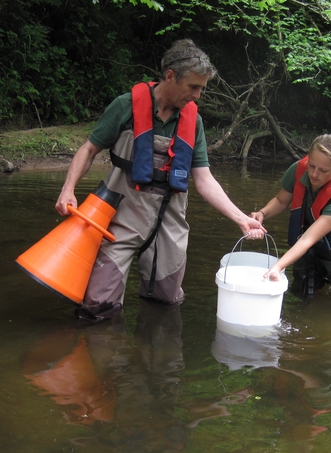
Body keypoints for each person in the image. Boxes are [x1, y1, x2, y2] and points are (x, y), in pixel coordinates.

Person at [55, 39, 266, 321]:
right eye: (193, 87)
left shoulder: (195, 122)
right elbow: (89, 149)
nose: (199, 95)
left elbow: (204, 180)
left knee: (165, 308)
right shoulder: (126, 106)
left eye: (202, 88)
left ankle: (155, 363)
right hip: (119, 219)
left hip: (170, 224)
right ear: (169, 76)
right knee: (97, 308)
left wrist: (240, 218)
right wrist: (68, 189)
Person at [250, 134, 331, 304]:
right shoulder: (297, 170)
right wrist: (262, 213)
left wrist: (278, 267)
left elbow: (307, 239)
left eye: (323, 170)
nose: (314, 174)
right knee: (301, 294)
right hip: (309, 242)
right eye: (312, 166)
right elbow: (280, 200)